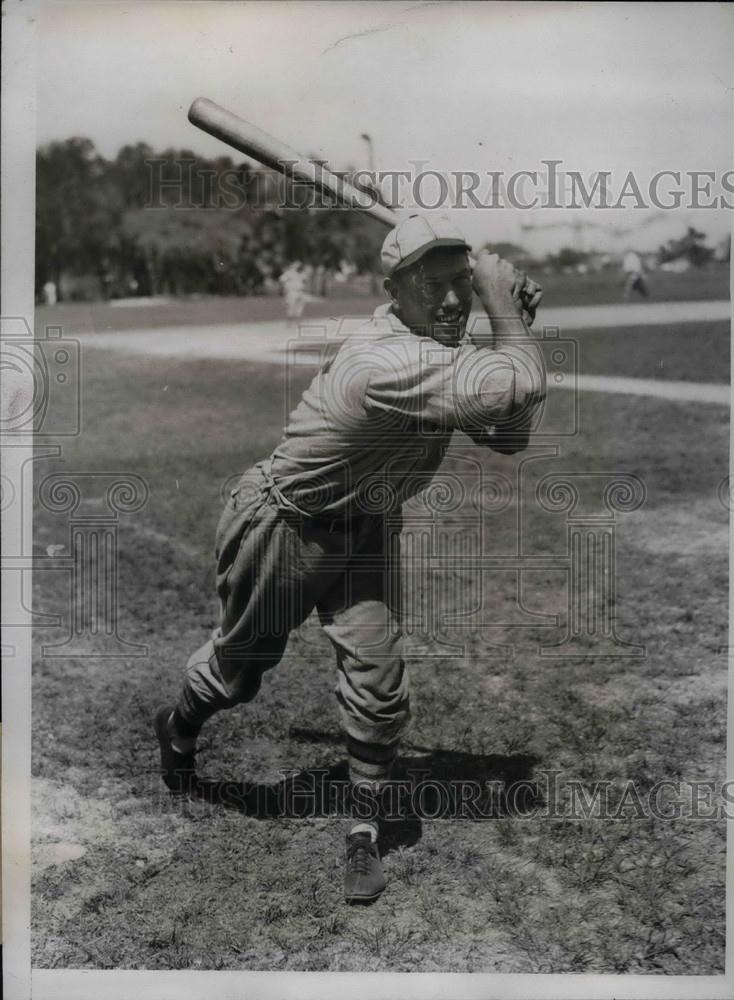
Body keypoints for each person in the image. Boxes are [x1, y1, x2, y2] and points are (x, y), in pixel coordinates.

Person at [155, 214, 546, 903]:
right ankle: (179, 728)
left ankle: (363, 830)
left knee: (378, 672)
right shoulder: (385, 361)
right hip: (285, 525)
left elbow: (508, 434)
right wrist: (503, 312)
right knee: (238, 676)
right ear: (394, 290)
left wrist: (512, 328)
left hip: (368, 522)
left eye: (461, 283)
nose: (454, 301)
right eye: (436, 288)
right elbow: (514, 387)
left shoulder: (437, 352)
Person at [279, 260, 308, 324]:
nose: (298, 267)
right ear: (293, 266)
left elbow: (305, 281)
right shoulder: (289, 273)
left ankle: (298, 322)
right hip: (292, 291)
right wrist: (285, 287)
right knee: (291, 306)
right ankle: (289, 322)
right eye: (297, 265)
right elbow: (281, 279)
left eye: (299, 266)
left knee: (300, 307)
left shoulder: (302, 273)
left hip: (301, 291)